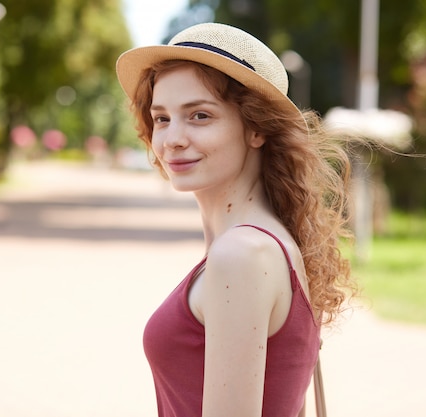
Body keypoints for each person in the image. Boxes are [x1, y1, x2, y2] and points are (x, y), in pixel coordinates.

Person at [116, 22, 356, 417]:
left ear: (256, 128)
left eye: (199, 116)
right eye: (161, 118)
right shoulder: (263, 243)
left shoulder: (242, 254)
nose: (172, 138)